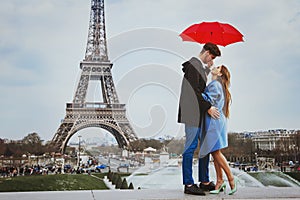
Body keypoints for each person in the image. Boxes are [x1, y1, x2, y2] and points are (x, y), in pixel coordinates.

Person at [178, 43, 221, 195]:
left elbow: (200, 87)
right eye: (212, 57)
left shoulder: (197, 66)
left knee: (204, 147)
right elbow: (193, 92)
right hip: (192, 113)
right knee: (190, 148)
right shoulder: (193, 66)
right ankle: (189, 184)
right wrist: (208, 107)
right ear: (207, 52)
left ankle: (204, 181)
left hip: (198, 112)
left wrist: (209, 68)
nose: (213, 60)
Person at [199, 65, 237, 195]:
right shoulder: (218, 85)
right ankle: (219, 181)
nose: (214, 67)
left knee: (215, 153)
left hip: (213, 124)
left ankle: (231, 178)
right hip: (216, 122)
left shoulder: (215, 85)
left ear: (220, 74)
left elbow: (207, 100)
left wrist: (197, 92)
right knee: (215, 153)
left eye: (218, 67)